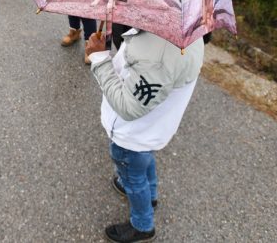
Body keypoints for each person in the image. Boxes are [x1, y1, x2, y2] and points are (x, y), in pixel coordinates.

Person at [84, 29, 209, 243]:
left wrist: (98, 58)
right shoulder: (188, 32)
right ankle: (150, 196)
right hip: (150, 131)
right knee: (143, 161)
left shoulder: (158, 57)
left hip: (132, 135)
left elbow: (128, 107)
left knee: (133, 176)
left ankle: (142, 226)